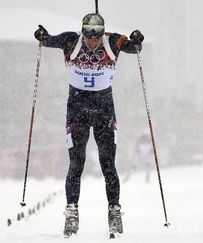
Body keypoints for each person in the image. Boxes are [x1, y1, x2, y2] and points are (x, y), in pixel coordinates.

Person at [33, 13, 144, 237]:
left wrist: (137, 40)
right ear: (82, 32)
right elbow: (48, 40)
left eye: (97, 36)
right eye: (89, 36)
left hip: (104, 113)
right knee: (76, 163)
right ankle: (72, 214)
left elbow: (134, 48)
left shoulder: (113, 41)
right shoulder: (70, 41)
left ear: (103, 33)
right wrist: (42, 36)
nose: (93, 41)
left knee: (108, 164)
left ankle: (114, 213)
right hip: (77, 113)